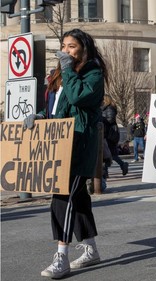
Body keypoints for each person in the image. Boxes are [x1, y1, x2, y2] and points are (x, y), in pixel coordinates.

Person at [23, 28, 107, 279]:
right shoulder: (60, 74)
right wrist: (40, 115)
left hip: (79, 145)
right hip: (59, 143)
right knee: (77, 199)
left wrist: (68, 69)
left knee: (62, 198)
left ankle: (62, 256)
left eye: (71, 46)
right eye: (64, 45)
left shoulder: (93, 73)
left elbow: (77, 96)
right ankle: (90, 249)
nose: (66, 50)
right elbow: (56, 105)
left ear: (83, 48)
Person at [101, 94, 129, 176]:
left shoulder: (110, 108)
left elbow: (110, 119)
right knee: (105, 154)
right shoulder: (104, 108)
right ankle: (105, 172)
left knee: (111, 154)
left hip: (110, 134)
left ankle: (122, 165)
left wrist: (100, 118)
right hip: (107, 133)